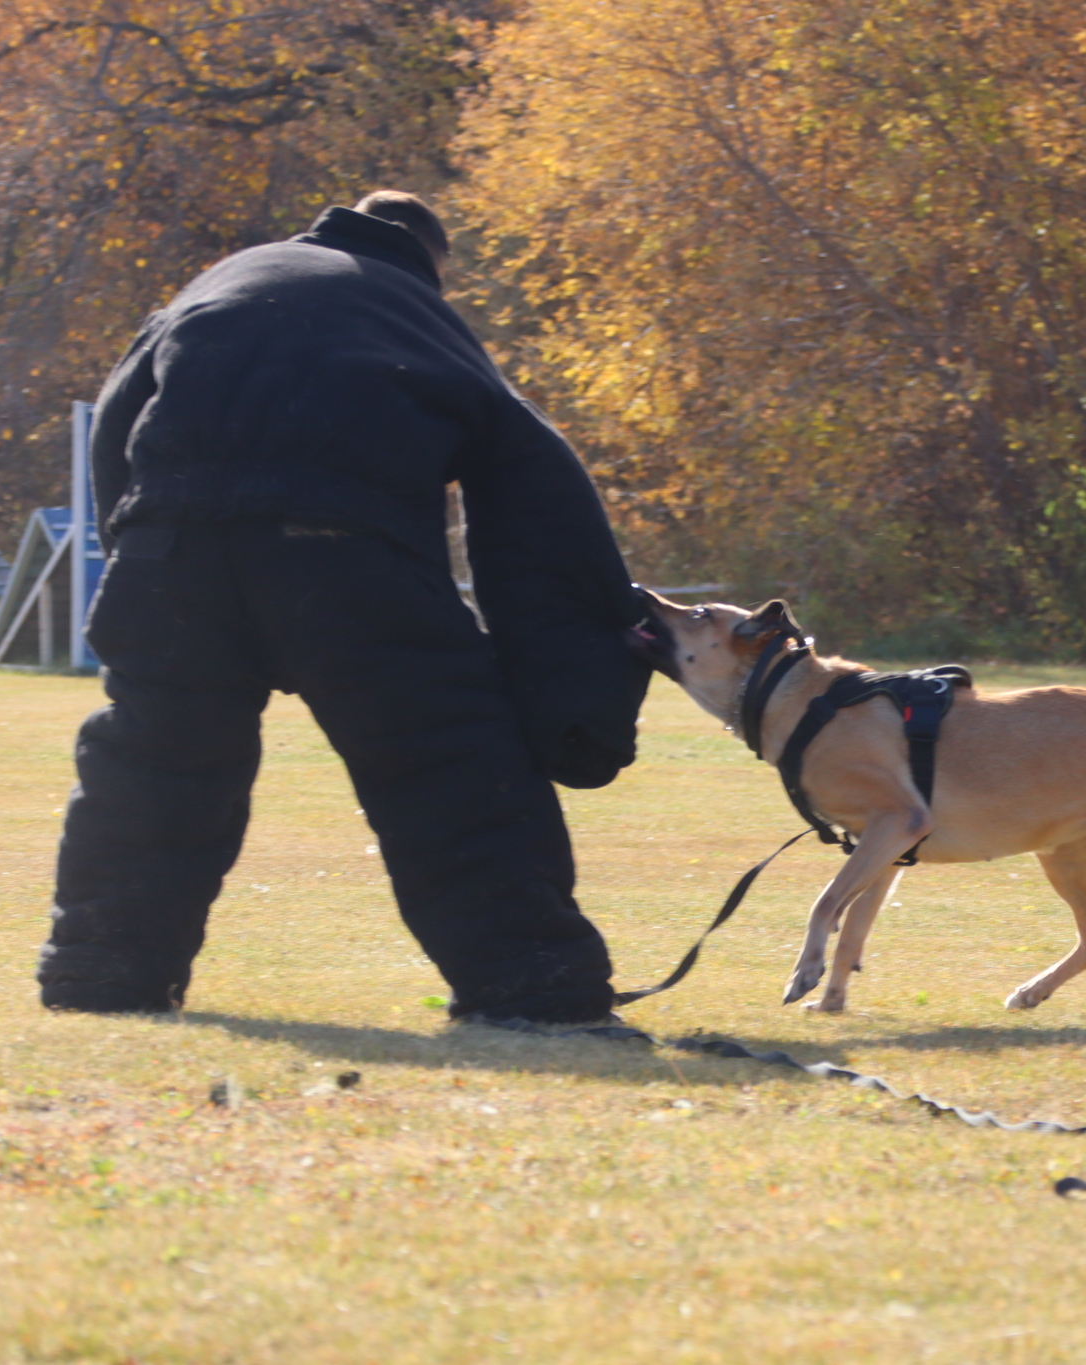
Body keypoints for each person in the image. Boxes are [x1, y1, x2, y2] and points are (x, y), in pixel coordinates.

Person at [37, 190, 649, 1025]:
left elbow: (116, 421)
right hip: (345, 556)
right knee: (445, 759)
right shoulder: (415, 312)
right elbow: (536, 490)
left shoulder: (225, 280)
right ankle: (533, 983)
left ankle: (101, 974)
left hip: (170, 550)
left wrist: (140, 568)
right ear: (433, 266)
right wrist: (579, 694)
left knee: (156, 761)